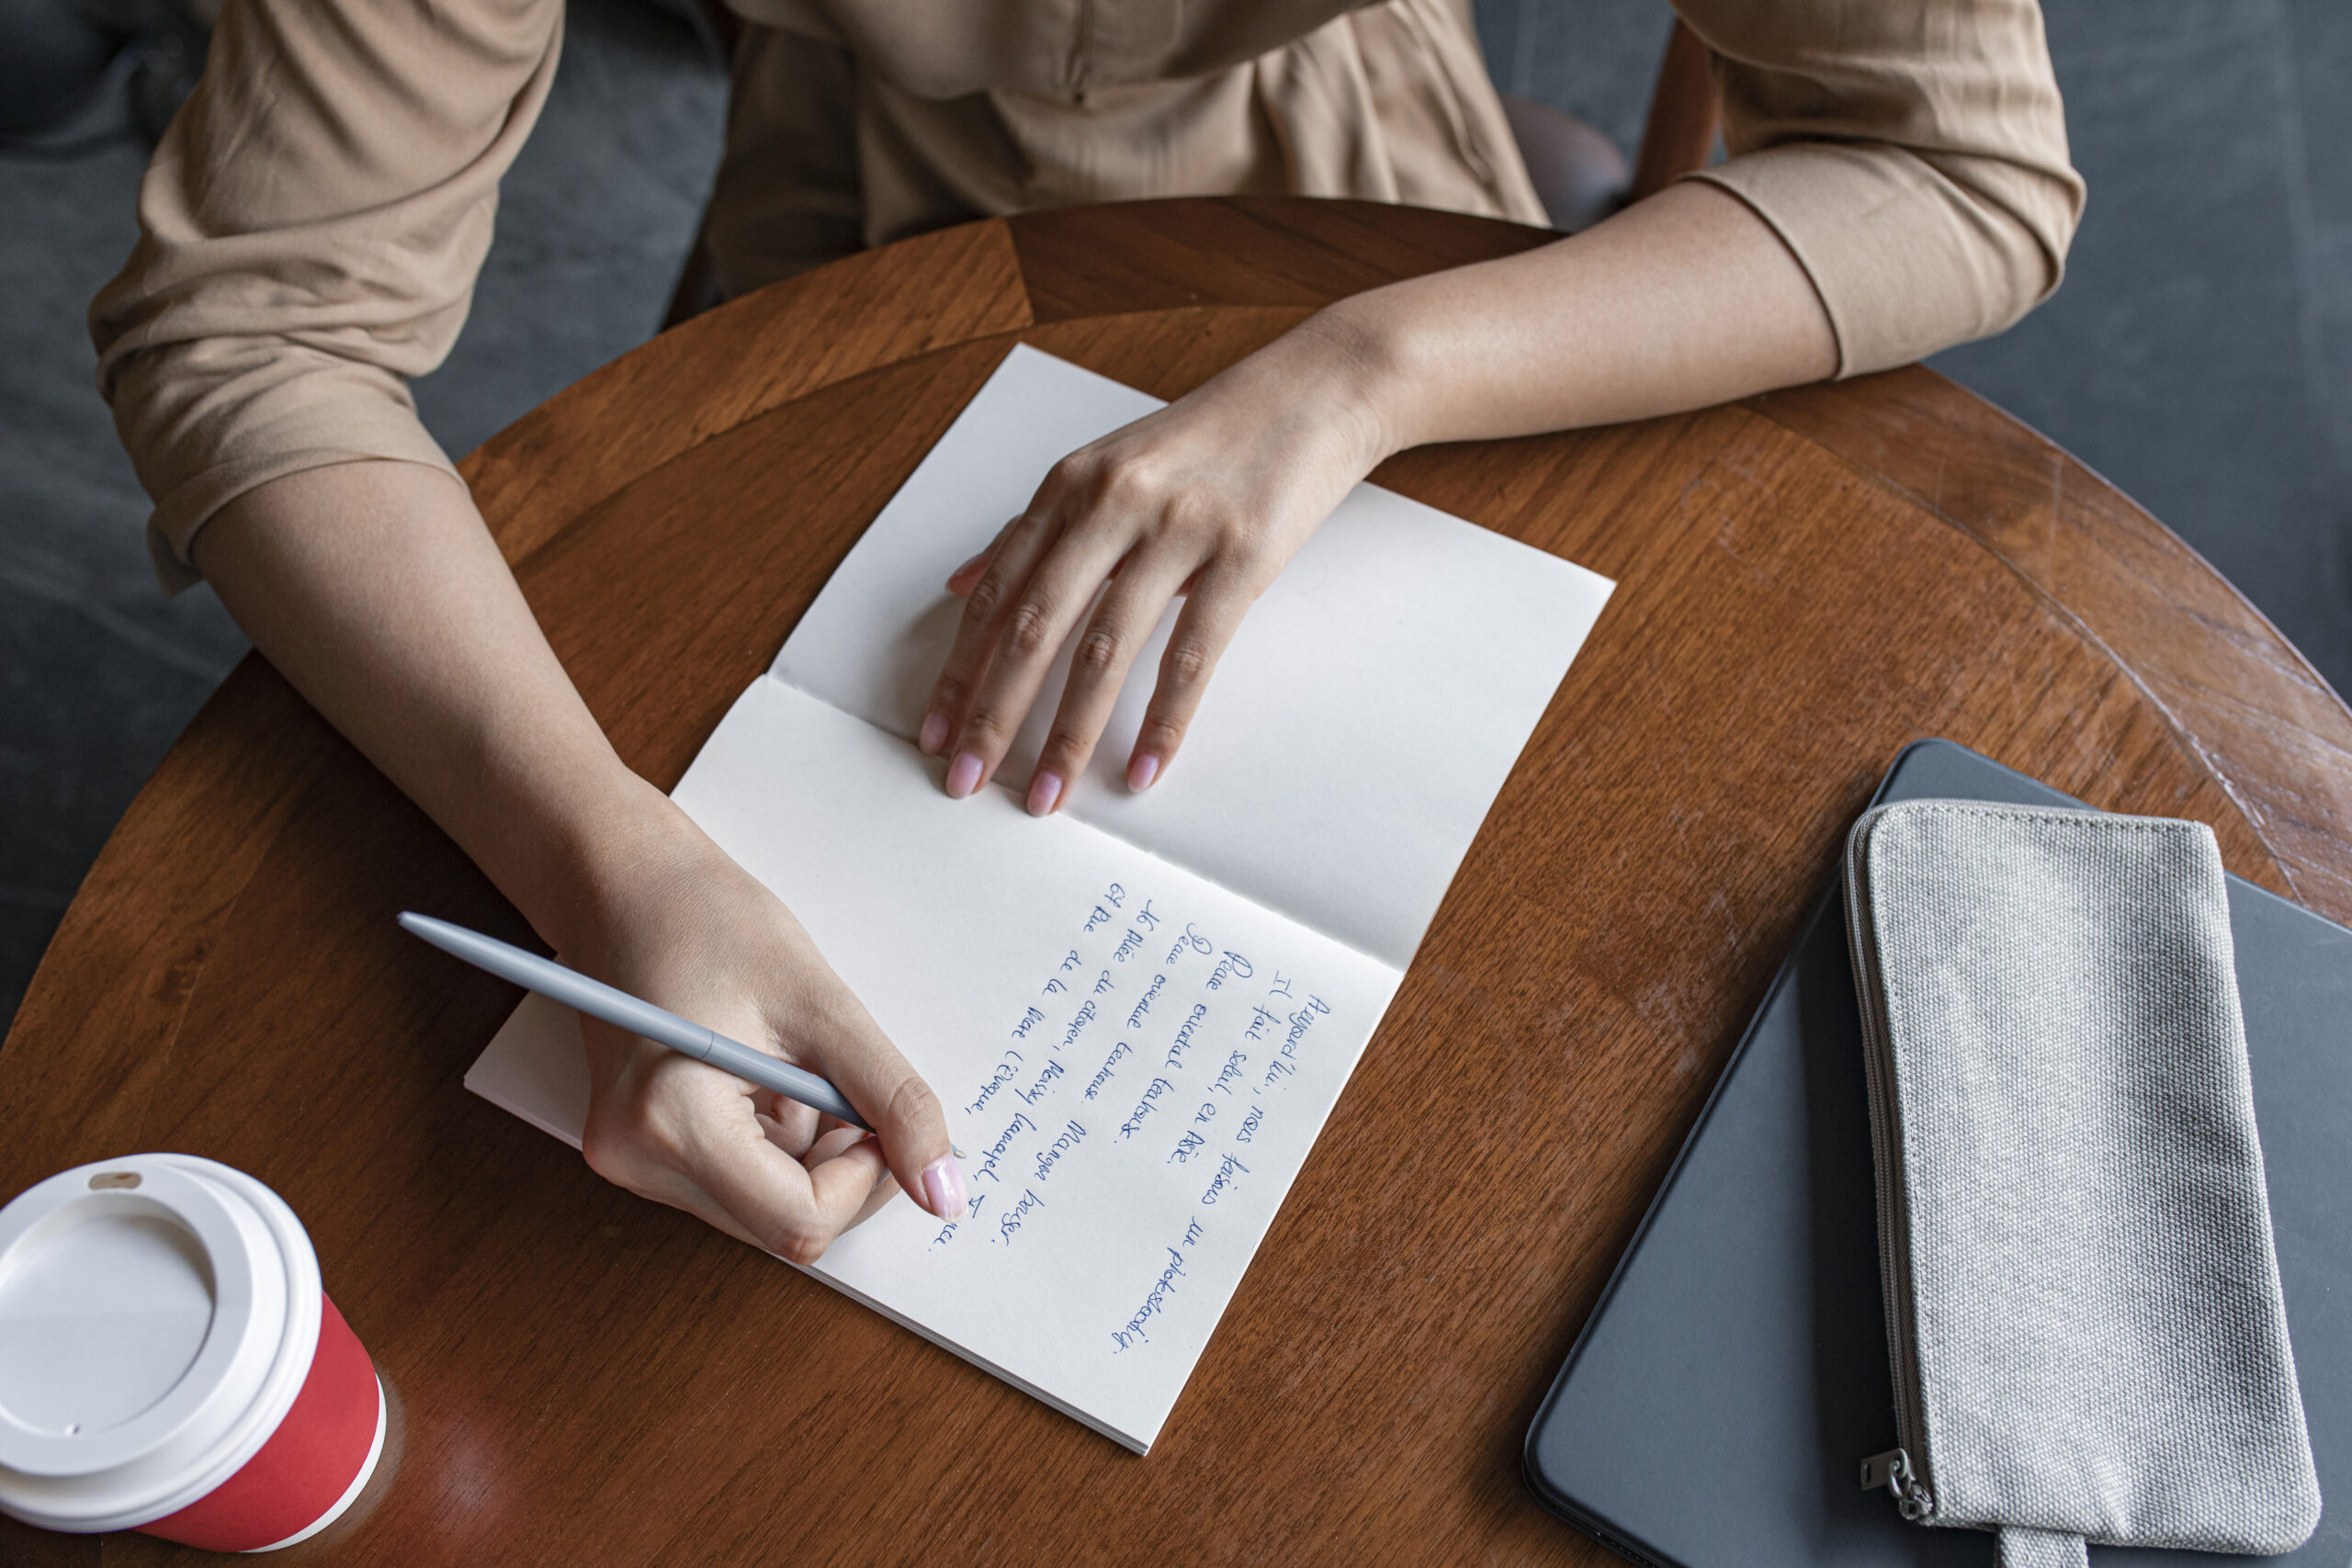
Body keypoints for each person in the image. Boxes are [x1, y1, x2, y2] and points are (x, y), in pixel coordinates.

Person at [87, 0, 2082, 1265]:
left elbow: (1960, 167)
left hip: (1365, 214)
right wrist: (613, 857)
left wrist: (1360, 374)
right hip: (839, 244)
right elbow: (259, 329)